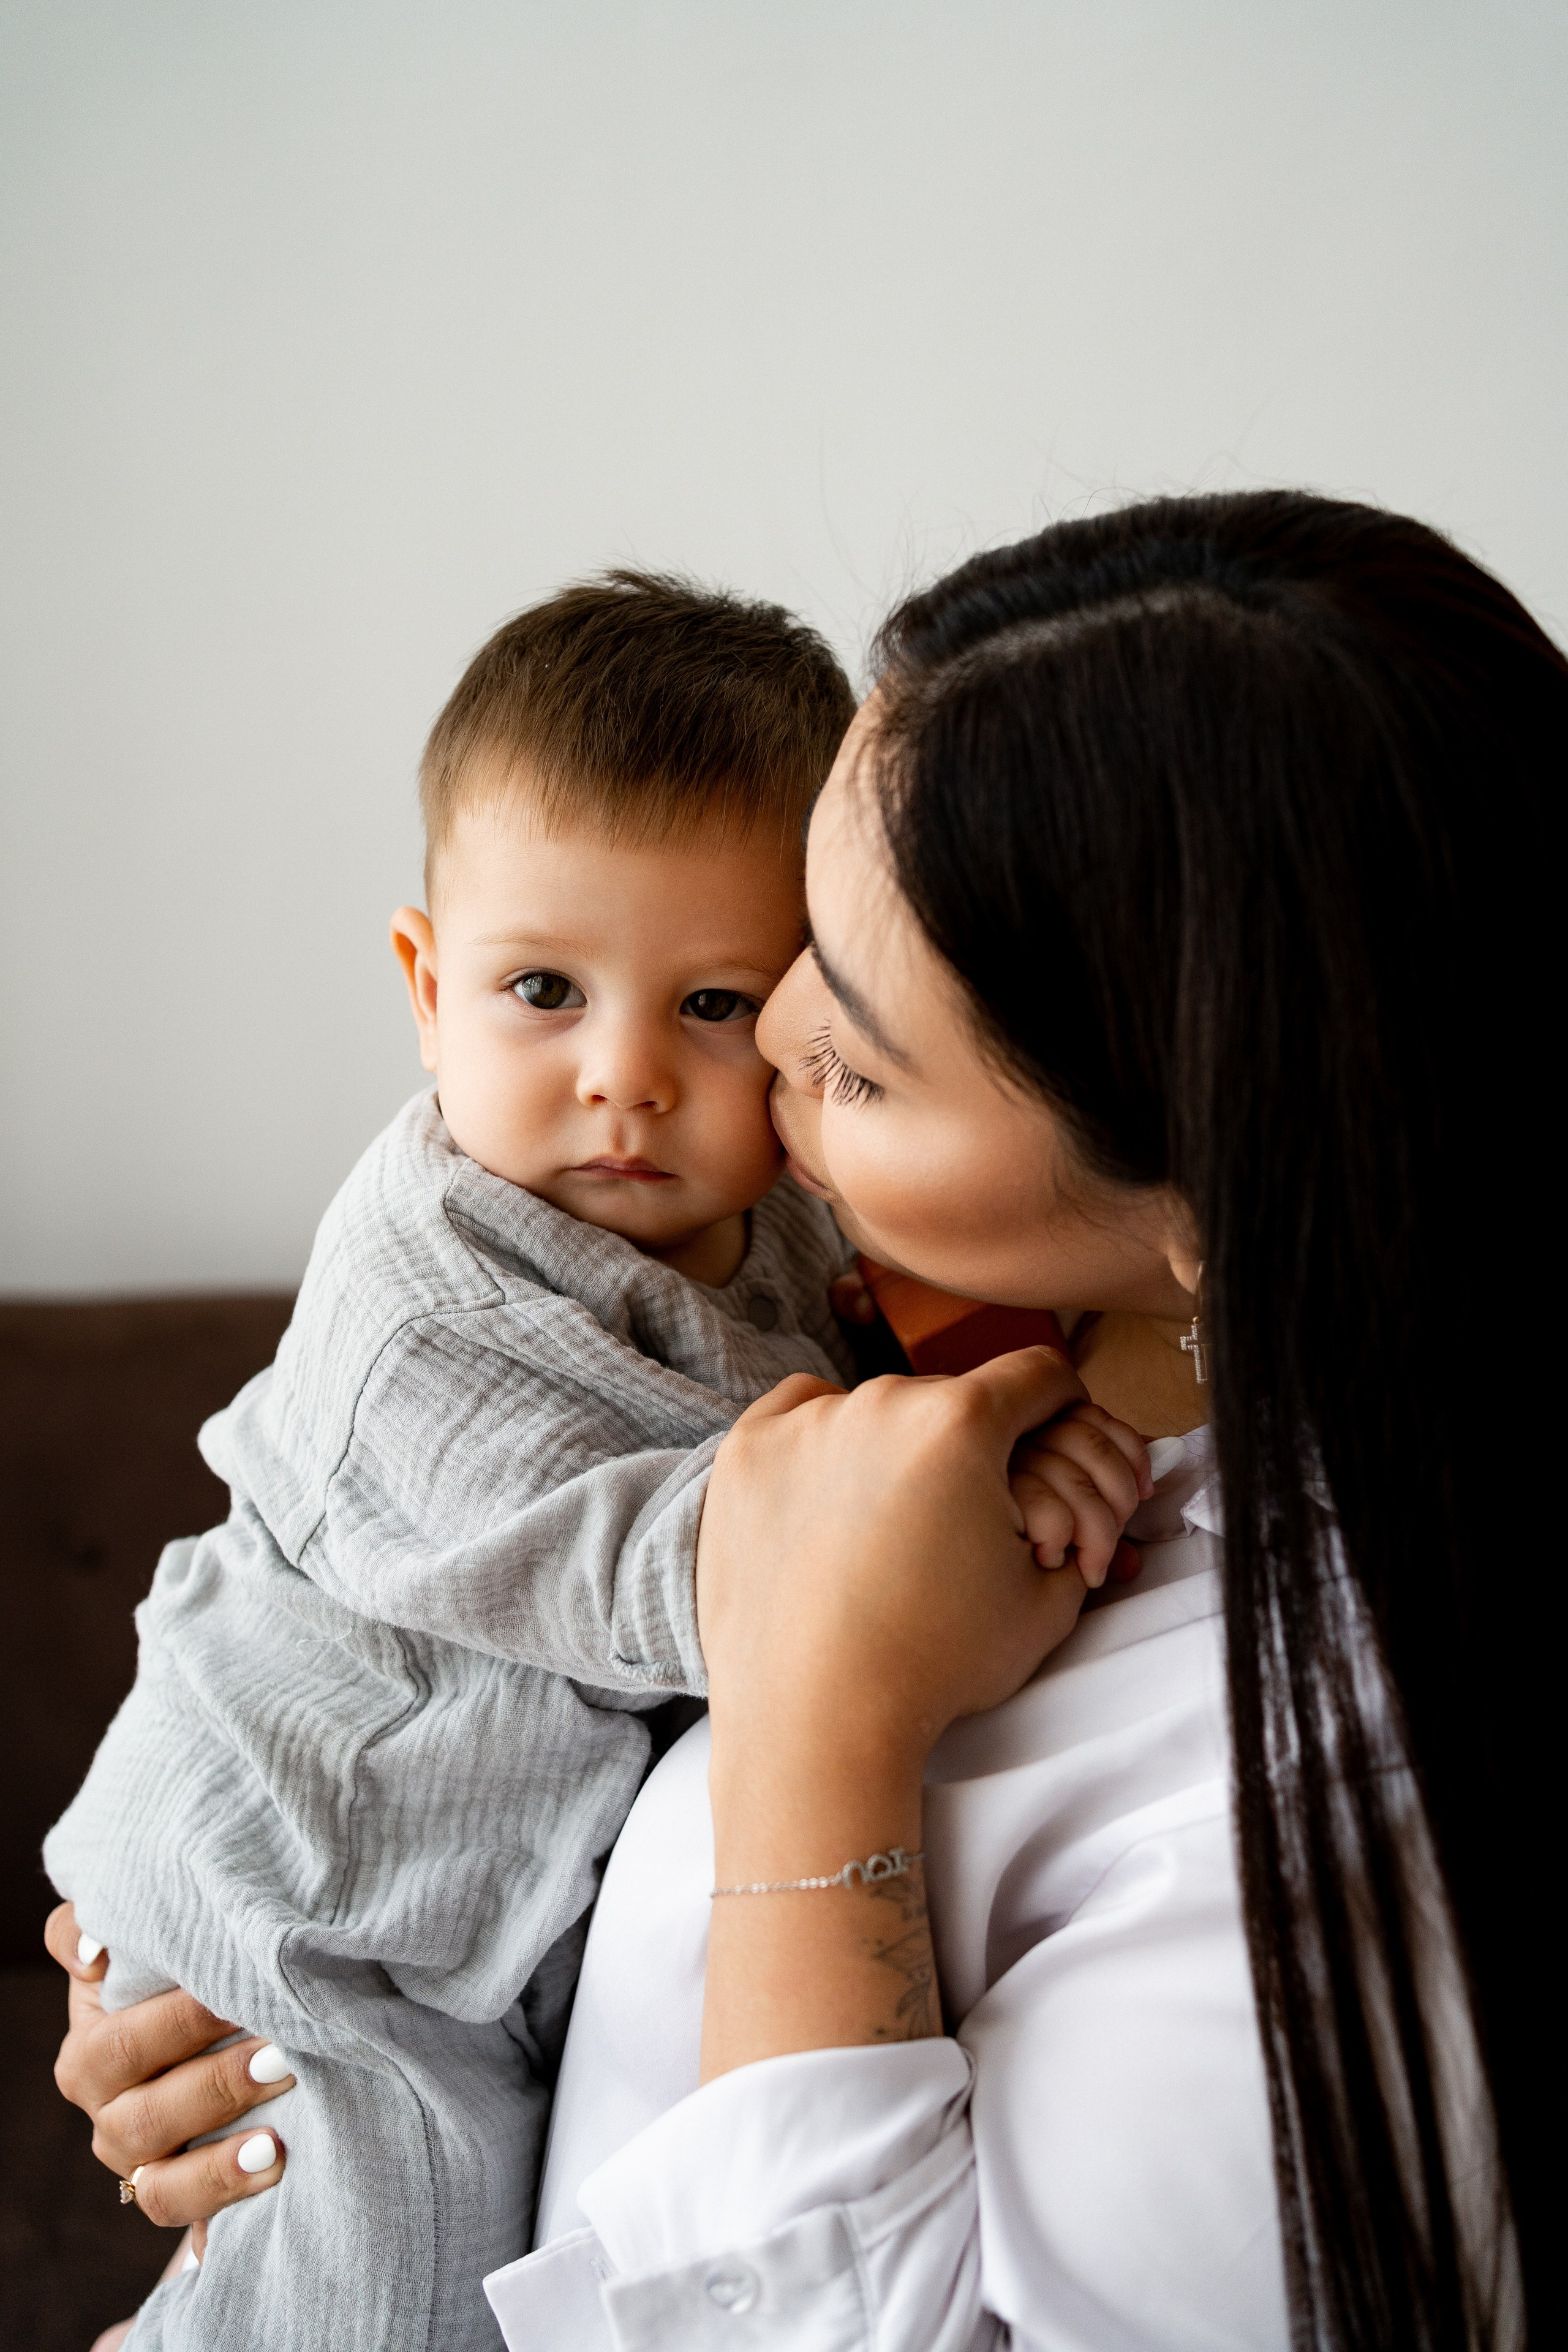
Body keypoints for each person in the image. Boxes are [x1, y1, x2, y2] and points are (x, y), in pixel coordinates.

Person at [51, 490, 1548, 2350]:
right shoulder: (945, 1335)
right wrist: (216, 1924)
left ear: (1211, 1187)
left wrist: (827, 1713)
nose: (728, 1071)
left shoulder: (1334, 1800)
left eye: (827, 1043)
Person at [46, 568, 1127, 2352]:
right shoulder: (421, 1302)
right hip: (310, 1900)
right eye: (544, 988)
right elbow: (679, 1568)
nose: (625, 1080)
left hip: (467, 1907)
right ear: (423, 983)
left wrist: (996, 1394)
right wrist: (970, 1476)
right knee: (386, 2287)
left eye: (714, 1006)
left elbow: (847, 1364)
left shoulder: (768, 1222)